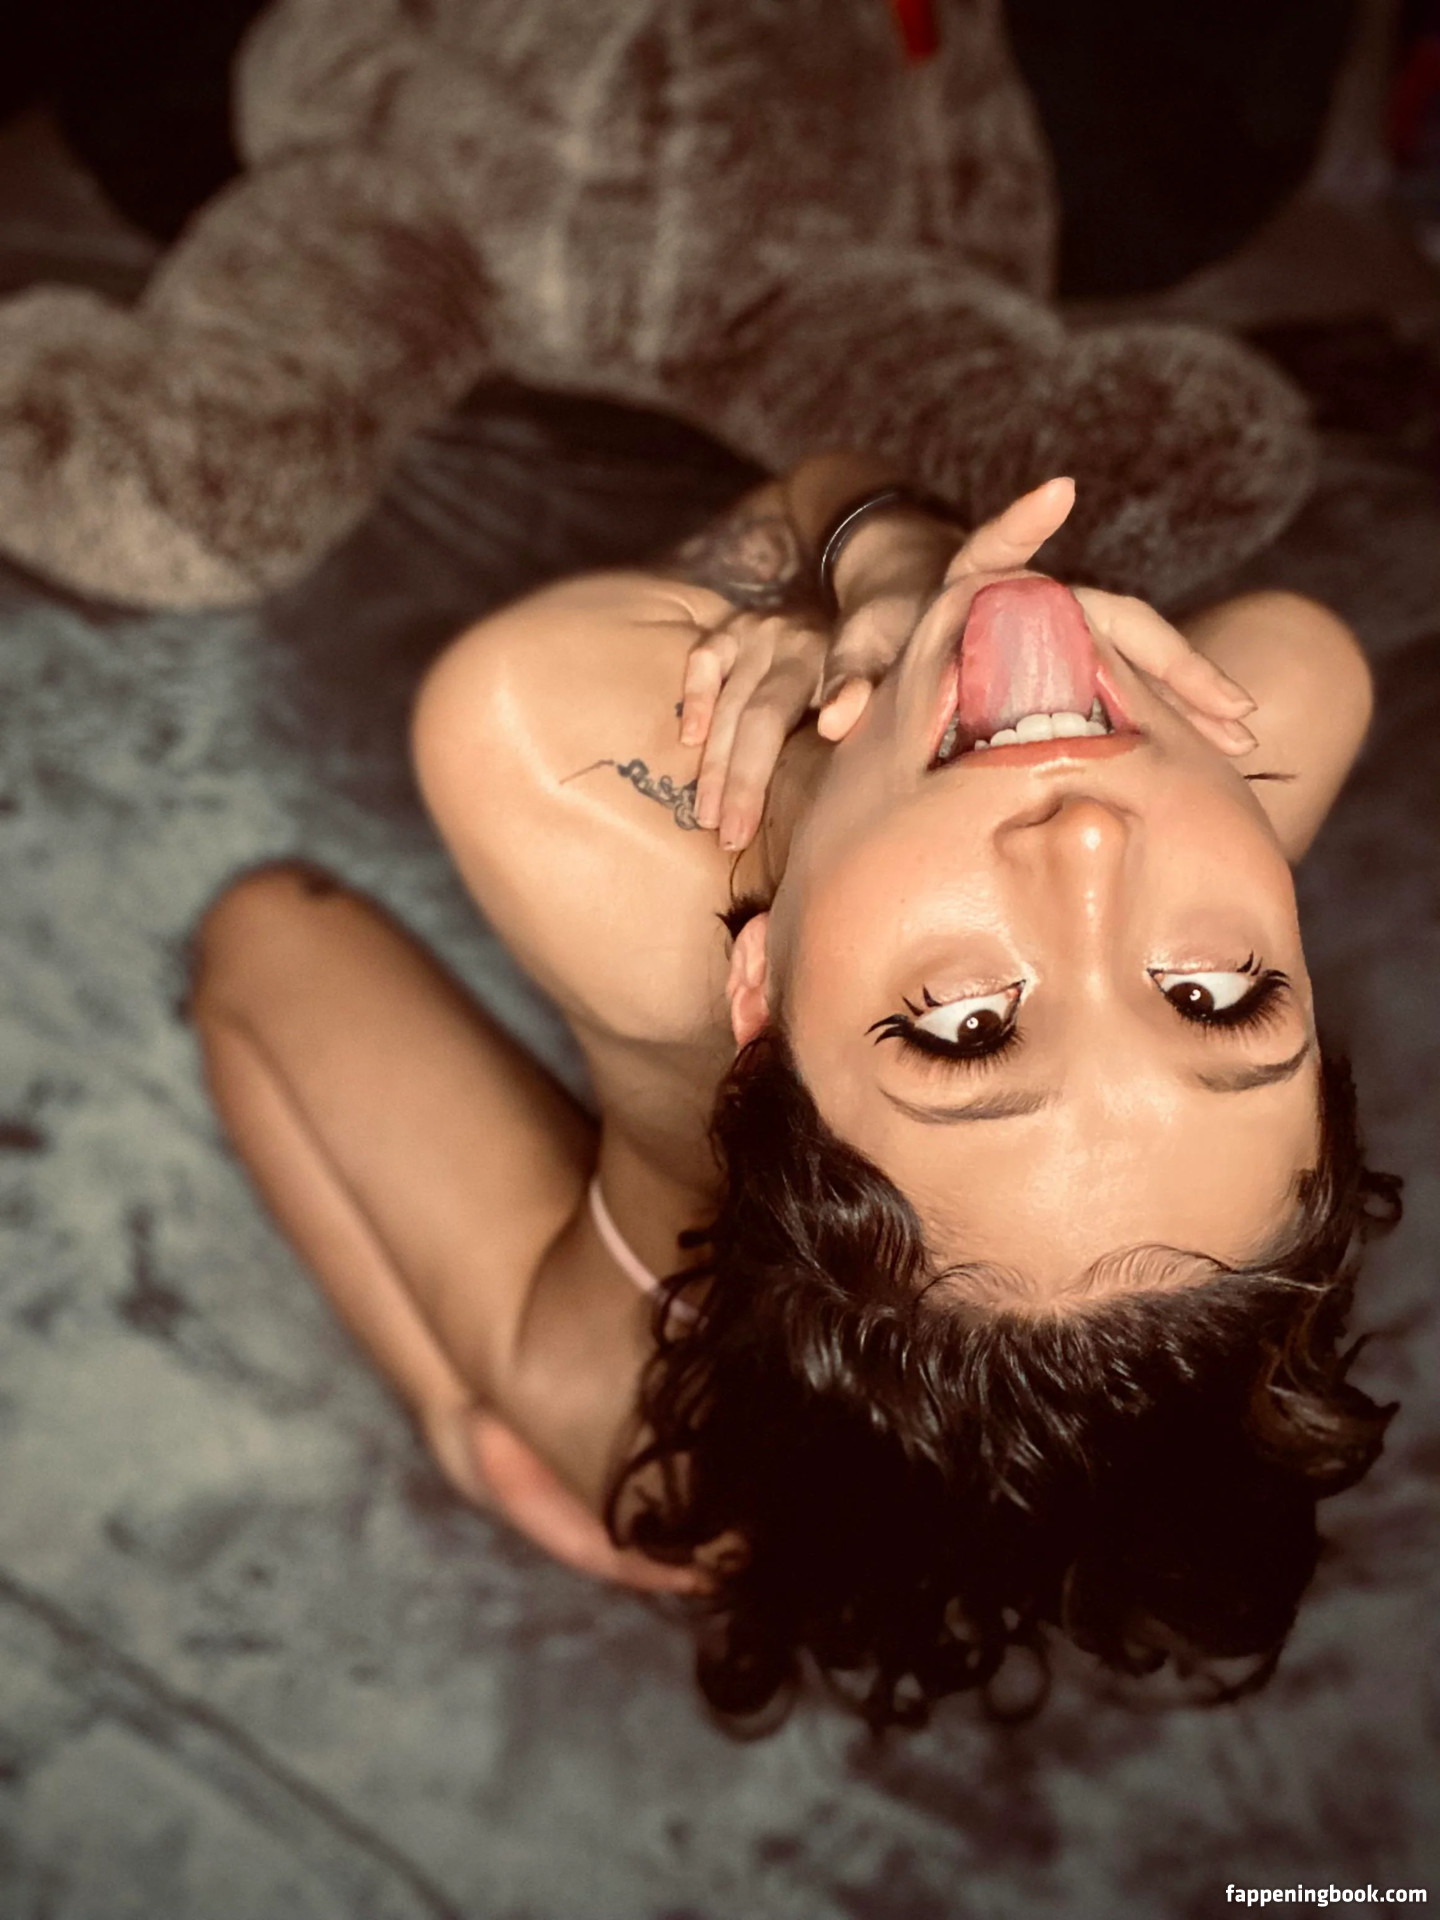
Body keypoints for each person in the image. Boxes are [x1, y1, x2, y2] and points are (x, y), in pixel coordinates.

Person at [190, 455, 1401, 1729]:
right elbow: (1286, 649)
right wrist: (902, 581)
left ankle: (479, 1447)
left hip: (650, 1365)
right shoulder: (1285, 702)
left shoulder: (547, 763)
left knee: (261, 933)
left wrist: (850, 641)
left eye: (969, 1025)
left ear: (757, 1005)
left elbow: (807, 495)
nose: (1091, 846)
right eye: (1213, 996)